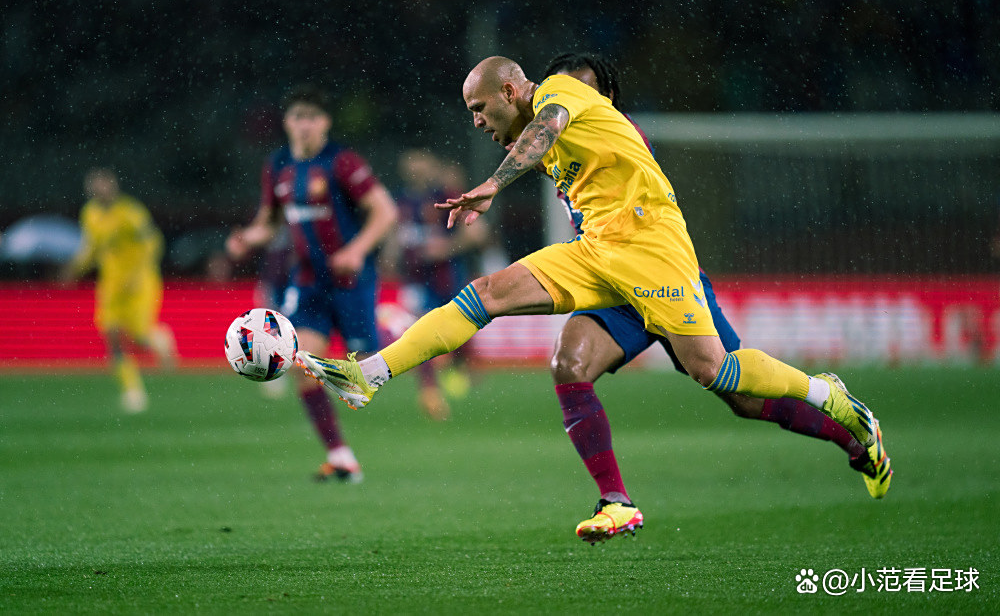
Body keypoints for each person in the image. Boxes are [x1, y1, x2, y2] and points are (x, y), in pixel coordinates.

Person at [296, 57, 886, 541]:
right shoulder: (558, 136)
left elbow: (546, 124)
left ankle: (827, 397)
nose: (475, 121)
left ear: (510, 89)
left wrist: (493, 186)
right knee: (508, 313)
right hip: (598, 248)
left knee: (720, 376)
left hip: (649, 246)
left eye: (480, 108)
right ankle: (370, 373)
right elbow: (548, 139)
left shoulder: (557, 96)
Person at [537, 52, 891, 542]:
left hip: (669, 280)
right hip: (613, 287)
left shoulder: (621, 135)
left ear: (608, 99)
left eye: (584, 91)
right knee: (568, 365)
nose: (568, 102)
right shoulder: (552, 143)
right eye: (560, 91)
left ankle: (855, 438)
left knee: (744, 400)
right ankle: (616, 501)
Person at [227, 84, 397, 483]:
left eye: (312, 117)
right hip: (306, 281)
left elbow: (384, 211)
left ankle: (396, 327)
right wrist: (247, 238)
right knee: (300, 360)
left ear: (325, 122)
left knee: (364, 373)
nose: (304, 125)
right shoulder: (278, 166)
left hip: (351, 280)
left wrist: (356, 250)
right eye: (297, 117)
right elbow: (268, 223)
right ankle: (340, 456)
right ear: (287, 122)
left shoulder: (342, 163)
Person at [385, 148, 489, 420]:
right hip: (417, 280)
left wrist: (447, 248)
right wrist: (391, 256)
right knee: (419, 329)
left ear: (430, 163)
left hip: (449, 276)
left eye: (419, 160)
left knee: (458, 330)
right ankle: (430, 391)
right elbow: (398, 233)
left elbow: (478, 233)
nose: (414, 165)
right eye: (410, 160)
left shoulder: (447, 196)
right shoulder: (402, 199)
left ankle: (461, 369)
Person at [63, 167, 177, 413]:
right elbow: (91, 249)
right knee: (112, 335)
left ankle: (160, 338)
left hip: (140, 282)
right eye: (96, 185)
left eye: (105, 184)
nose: (100, 189)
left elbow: (153, 242)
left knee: (138, 337)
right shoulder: (90, 214)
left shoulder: (130, 212)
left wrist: (138, 272)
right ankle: (133, 391)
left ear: (113, 186)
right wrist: (75, 269)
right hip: (111, 285)